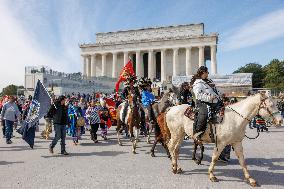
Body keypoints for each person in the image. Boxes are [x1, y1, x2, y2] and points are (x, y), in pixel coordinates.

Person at [191, 66, 223, 142]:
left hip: (214, 101)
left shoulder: (209, 81)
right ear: (203, 73)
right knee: (205, 112)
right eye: (207, 72)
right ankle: (198, 133)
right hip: (203, 102)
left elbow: (216, 90)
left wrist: (221, 95)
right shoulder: (198, 83)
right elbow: (198, 95)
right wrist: (209, 98)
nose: (208, 74)